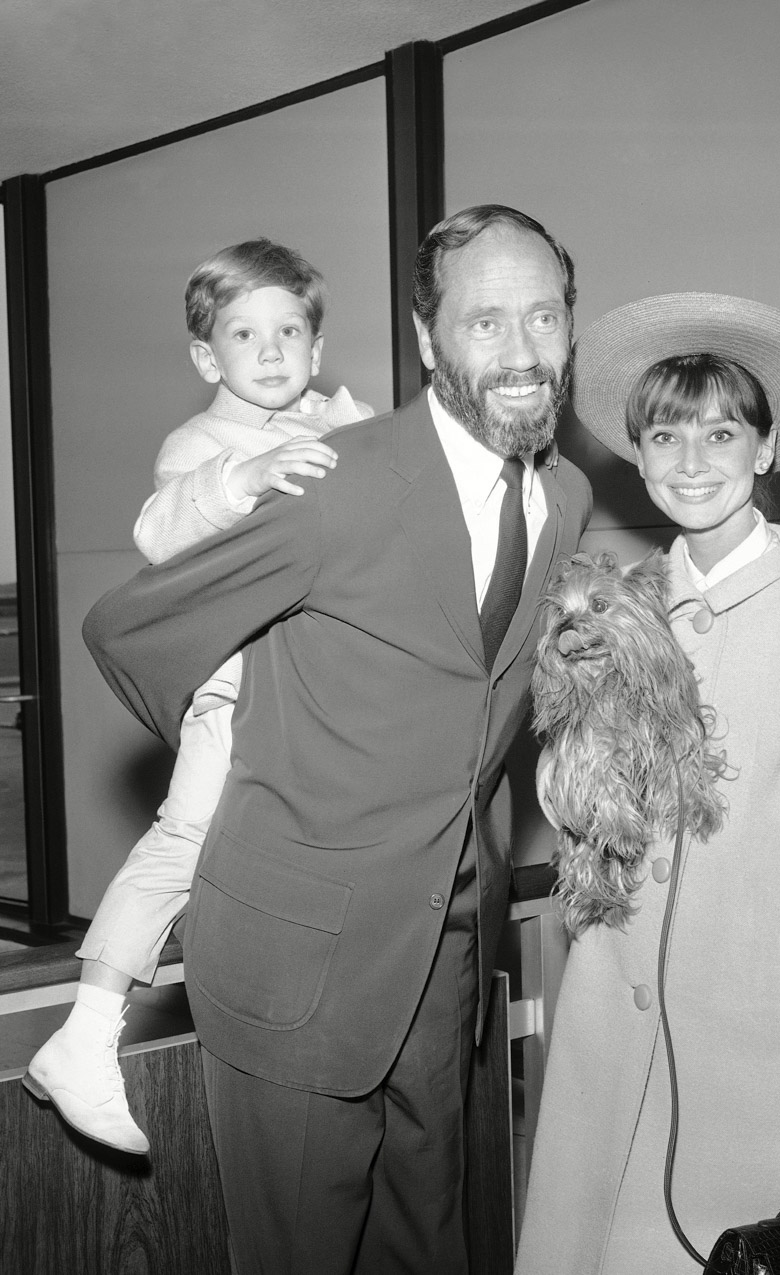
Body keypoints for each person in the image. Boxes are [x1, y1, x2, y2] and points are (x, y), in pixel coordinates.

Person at [82, 205, 592, 1274]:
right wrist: (261, 739)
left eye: (542, 316)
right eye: (484, 320)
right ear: (423, 337)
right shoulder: (330, 477)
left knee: (434, 1245)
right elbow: (130, 630)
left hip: (449, 951)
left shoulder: (567, 494)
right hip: (294, 962)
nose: (520, 350)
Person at [516, 293, 780, 1274]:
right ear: (635, 456)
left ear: (766, 450)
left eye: (720, 432)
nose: (691, 461)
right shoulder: (613, 609)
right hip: (609, 1008)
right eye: (666, 435)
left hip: (756, 1020)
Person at [24, 237, 372, 1154]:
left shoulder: (354, 424)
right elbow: (157, 527)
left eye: (288, 329)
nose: (269, 350)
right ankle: (86, 1033)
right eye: (243, 333)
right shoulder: (204, 443)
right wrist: (242, 476)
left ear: (316, 343)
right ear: (206, 357)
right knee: (185, 838)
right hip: (242, 693)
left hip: (330, 695)